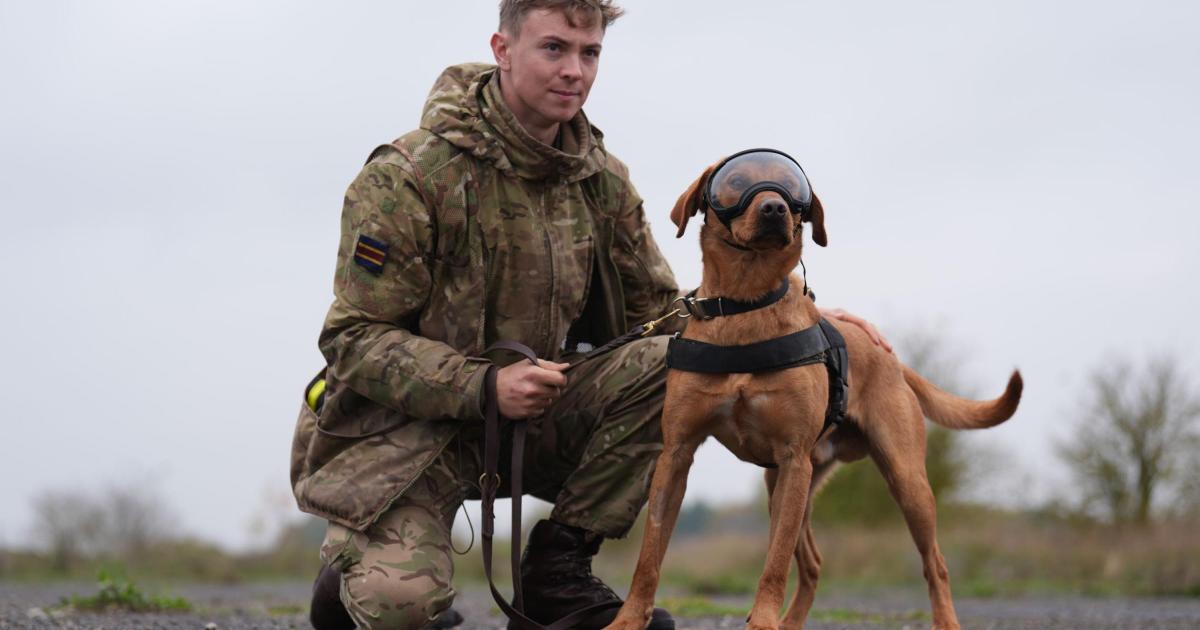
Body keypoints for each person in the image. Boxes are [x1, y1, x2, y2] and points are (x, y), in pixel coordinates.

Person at [290, 1, 891, 629]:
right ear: (502, 49)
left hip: (534, 423)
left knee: (677, 362)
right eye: (554, 48)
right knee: (399, 609)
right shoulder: (409, 175)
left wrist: (788, 319)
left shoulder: (600, 181)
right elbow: (352, 339)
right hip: (406, 436)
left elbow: (668, 317)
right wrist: (483, 384)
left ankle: (555, 574)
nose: (574, 70)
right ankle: (350, 579)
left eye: (589, 53)